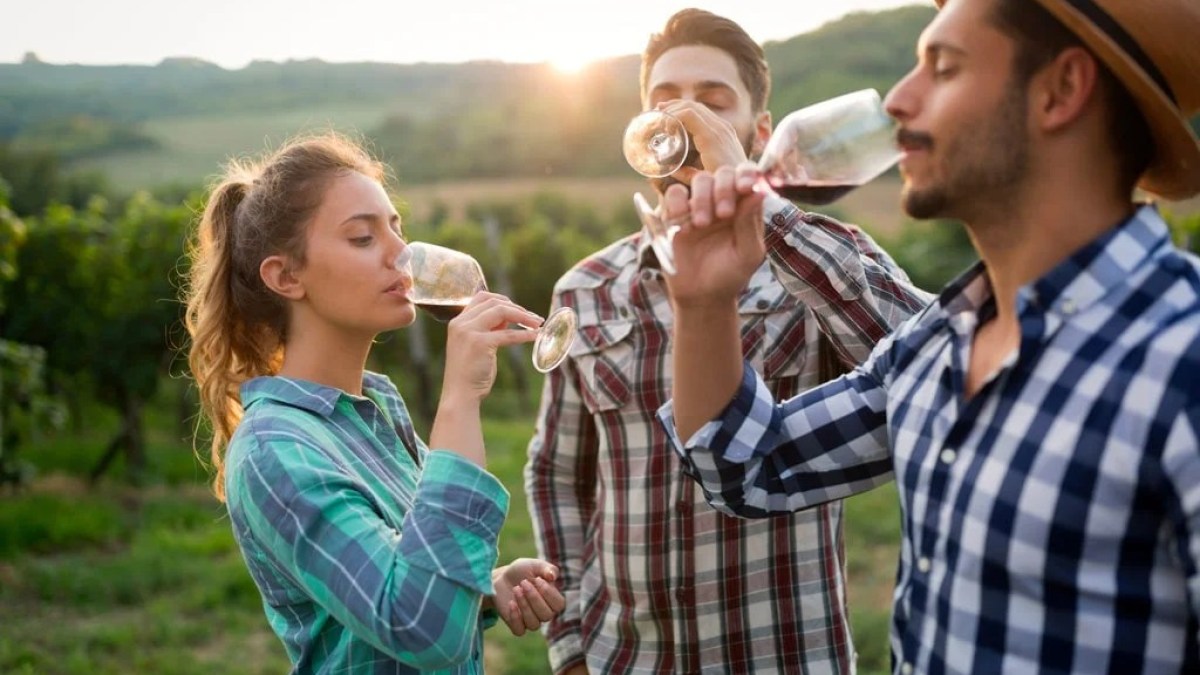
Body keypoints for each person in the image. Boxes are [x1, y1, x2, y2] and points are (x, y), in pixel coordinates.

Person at [661, 0, 1200, 672]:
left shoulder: (1183, 356)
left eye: (942, 69)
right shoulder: (935, 341)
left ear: (1060, 91)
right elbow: (745, 466)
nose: (899, 102)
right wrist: (705, 301)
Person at [524, 8, 931, 674]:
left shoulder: (819, 265)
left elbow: (932, 363)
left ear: (758, 131)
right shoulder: (584, 288)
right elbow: (558, 473)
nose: (687, 121)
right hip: (624, 658)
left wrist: (760, 206)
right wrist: (572, 644)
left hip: (785, 656)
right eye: (666, 103)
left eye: (714, 104)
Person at [183, 132, 566, 674]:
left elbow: (401, 572)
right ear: (286, 276)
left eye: (397, 229)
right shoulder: (274, 451)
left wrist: (484, 589)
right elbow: (421, 631)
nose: (402, 256)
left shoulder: (374, 407)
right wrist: (460, 400)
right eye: (363, 238)